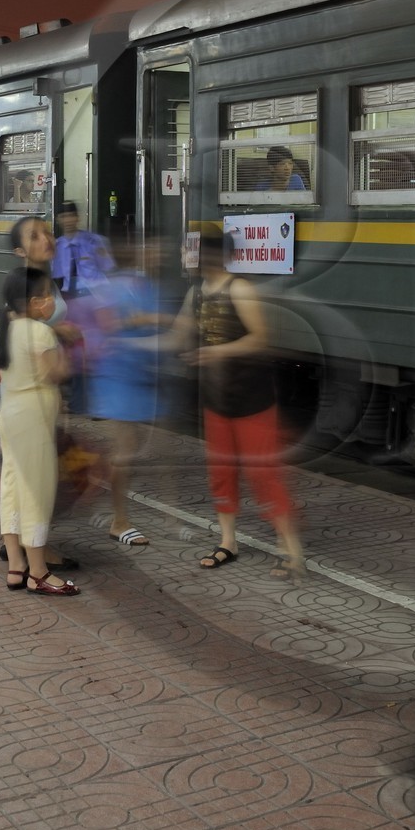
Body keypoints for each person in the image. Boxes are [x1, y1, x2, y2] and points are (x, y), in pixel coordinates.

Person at [167, 230, 304, 578]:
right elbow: (176, 335)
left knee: (263, 474)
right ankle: (228, 541)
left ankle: (291, 550)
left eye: (190, 250)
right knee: (221, 473)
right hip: (216, 400)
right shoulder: (195, 292)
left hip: (252, 400)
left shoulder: (239, 289)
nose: (185, 255)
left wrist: (217, 351)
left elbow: (260, 339)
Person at [0, 266, 77, 596]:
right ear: (35, 302)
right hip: (34, 417)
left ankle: (15, 567)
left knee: (11, 487)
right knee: (36, 491)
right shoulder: (41, 333)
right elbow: (57, 374)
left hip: (10, 414)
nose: (52, 302)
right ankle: (38, 571)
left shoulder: (2, 332)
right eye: (48, 296)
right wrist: (66, 347)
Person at [88, 240, 164, 545]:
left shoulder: (145, 286)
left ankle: (102, 495)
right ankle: (119, 521)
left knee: (132, 450)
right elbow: (110, 327)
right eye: (155, 249)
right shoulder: (115, 287)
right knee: (125, 451)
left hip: (136, 377)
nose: (161, 255)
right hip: (117, 377)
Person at [52, 200, 113, 299]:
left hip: (96, 293)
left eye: (71, 215)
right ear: (57, 220)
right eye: (63, 216)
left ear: (77, 218)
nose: (68, 220)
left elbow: (107, 268)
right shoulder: (56, 246)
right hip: (70, 295)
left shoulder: (94, 241)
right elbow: (56, 275)